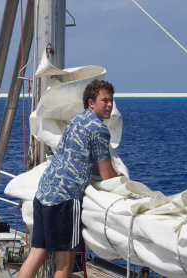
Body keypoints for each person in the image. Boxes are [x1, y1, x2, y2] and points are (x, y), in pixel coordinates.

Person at [18, 79, 121, 278]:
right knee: (65, 263)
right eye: (105, 101)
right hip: (65, 200)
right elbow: (107, 175)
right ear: (91, 103)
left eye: (111, 101)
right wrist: (118, 176)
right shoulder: (99, 130)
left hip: (43, 193)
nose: (109, 105)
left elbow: (79, 160)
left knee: (36, 254)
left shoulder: (77, 120)